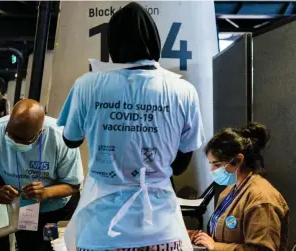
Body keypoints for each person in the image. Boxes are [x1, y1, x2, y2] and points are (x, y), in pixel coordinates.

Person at [57, 3, 205, 251]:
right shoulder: (183, 90)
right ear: (155, 41)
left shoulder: (87, 85)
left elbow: (71, 140)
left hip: (101, 227)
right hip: (161, 227)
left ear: (112, 43)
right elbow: (180, 166)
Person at [0, 98, 83, 251]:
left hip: (57, 209)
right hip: (24, 210)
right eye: (11, 134)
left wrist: (46, 193)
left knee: (54, 247)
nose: (15, 141)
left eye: (24, 140)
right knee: (27, 247)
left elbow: (74, 186)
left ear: (40, 132)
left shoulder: (60, 137)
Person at [188, 122, 289, 251]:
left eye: (217, 164)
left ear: (239, 159)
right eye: (211, 164)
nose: (212, 170)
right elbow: (226, 237)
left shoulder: (261, 199)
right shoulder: (230, 191)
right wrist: (197, 237)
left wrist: (215, 247)